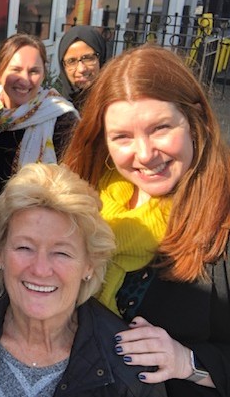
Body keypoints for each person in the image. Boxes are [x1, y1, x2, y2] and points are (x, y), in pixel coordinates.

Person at [0, 163, 166, 397]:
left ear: (89, 264)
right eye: (24, 248)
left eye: (61, 253)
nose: (40, 270)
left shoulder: (130, 365)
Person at [63, 44, 230, 396]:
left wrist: (189, 361)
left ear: (195, 120)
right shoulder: (82, 203)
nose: (144, 154)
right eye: (122, 136)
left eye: (160, 128)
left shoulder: (222, 219)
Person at [0, 33, 78, 198]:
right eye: (16, 70)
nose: (24, 80)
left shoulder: (61, 119)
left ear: (44, 74)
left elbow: (73, 183)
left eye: (34, 71)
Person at [57, 25, 107, 109]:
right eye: (71, 61)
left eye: (88, 58)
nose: (81, 69)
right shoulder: (55, 110)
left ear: (101, 59)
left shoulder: (115, 109)